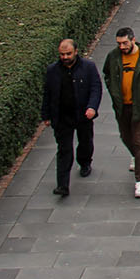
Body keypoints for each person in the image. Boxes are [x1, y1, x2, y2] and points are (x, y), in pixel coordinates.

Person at [101, 28, 140, 199]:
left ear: (133, 40)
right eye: (119, 43)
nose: (122, 47)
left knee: (139, 140)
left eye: (125, 43)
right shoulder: (113, 56)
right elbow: (106, 74)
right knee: (125, 136)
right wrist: (113, 90)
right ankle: (135, 156)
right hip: (122, 106)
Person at [41, 38, 102, 197]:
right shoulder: (52, 70)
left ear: (76, 52)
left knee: (85, 141)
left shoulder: (88, 67)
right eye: (62, 54)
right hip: (62, 117)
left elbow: (96, 88)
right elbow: (47, 93)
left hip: (82, 115)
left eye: (68, 54)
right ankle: (62, 185)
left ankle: (85, 162)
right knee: (64, 150)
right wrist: (46, 115)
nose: (65, 57)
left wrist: (92, 107)